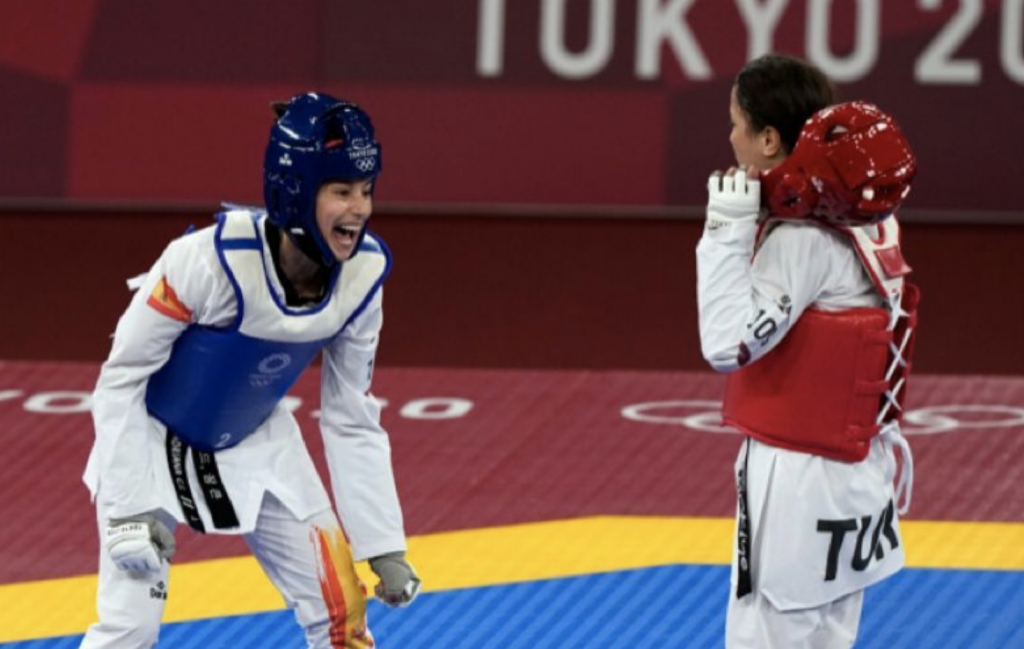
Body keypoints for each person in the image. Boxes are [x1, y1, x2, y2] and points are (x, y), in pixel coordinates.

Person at [80, 92, 421, 649]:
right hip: (149, 438)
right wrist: (127, 511)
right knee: (129, 629)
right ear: (293, 192)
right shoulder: (206, 261)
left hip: (256, 438)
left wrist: (383, 545)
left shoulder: (364, 279)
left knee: (344, 618)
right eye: (340, 192)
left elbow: (351, 416)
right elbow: (120, 379)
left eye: (366, 191)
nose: (359, 209)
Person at [696, 54, 919, 648]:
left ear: (769, 139)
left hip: (797, 475)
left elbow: (724, 343)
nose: (730, 138)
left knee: (768, 634)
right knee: (829, 635)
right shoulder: (875, 216)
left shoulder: (802, 241)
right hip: (858, 465)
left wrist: (724, 226)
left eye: (736, 123)